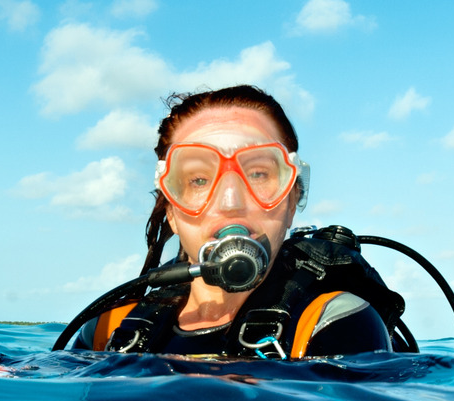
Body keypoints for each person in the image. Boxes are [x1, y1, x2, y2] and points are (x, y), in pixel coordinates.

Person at [74, 85, 405, 358]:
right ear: (172, 212)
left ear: (292, 203)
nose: (231, 203)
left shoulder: (334, 324)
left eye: (259, 173)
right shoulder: (108, 332)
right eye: (199, 180)